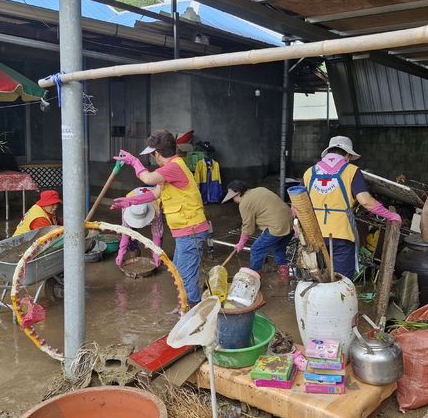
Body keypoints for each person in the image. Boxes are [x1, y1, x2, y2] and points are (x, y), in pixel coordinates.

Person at [114, 130, 209, 307]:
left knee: (187, 277)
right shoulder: (170, 169)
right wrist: (129, 201)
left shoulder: (173, 167)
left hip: (191, 231)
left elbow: (148, 178)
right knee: (179, 272)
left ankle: (193, 310)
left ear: (156, 153)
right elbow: (155, 194)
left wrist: (134, 161)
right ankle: (185, 307)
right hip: (185, 232)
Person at [303, 136, 402, 279]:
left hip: (314, 234)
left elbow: (298, 204)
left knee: (317, 279)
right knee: (341, 281)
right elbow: (365, 201)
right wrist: (391, 215)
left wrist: (298, 229)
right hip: (341, 235)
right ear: (347, 155)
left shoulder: (310, 172)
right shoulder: (351, 171)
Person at [222, 180, 293, 282]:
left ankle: (254, 280)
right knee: (278, 248)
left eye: (233, 197)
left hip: (276, 226)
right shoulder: (260, 189)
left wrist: (241, 243)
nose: (234, 200)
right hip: (290, 223)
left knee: (256, 249)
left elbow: (248, 227)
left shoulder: (244, 203)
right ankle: (284, 279)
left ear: (238, 193)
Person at [111, 186, 164, 269]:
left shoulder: (156, 208)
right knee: (130, 236)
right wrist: (121, 253)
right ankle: (134, 252)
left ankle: (156, 256)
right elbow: (125, 232)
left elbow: (157, 233)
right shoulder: (125, 208)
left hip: (153, 197)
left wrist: (157, 253)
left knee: (159, 237)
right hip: (134, 197)